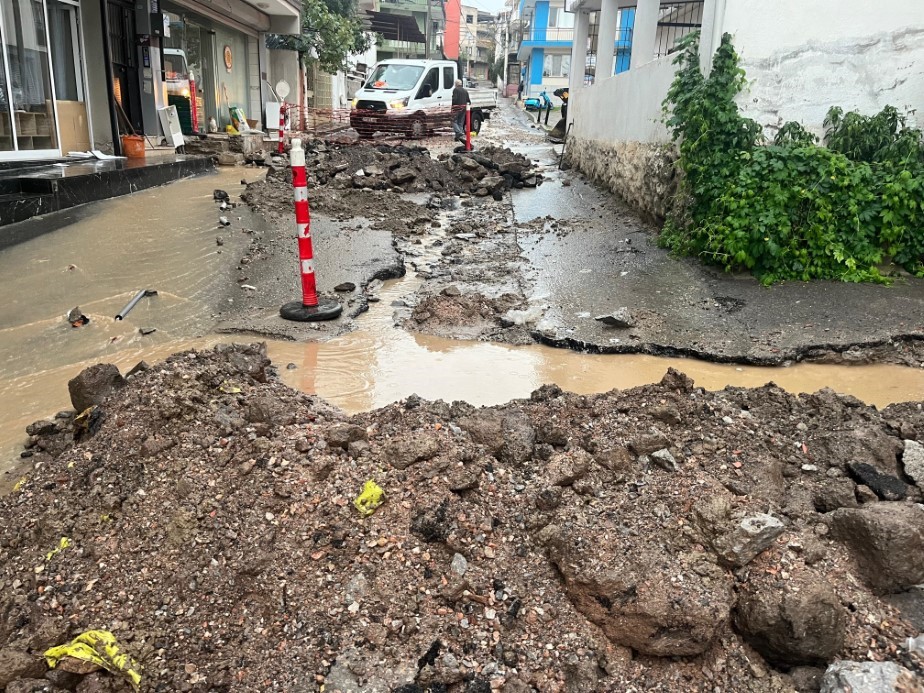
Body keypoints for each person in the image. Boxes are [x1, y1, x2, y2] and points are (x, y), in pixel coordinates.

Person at [452, 79, 471, 143]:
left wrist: (453, 107)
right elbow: (468, 100)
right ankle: (459, 137)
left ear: (456, 84)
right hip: (464, 108)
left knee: (453, 121)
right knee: (460, 122)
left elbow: (455, 99)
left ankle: (459, 132)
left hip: (457, 108)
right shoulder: (465, 91)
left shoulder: (455, 90)